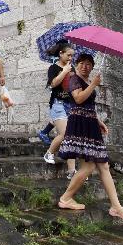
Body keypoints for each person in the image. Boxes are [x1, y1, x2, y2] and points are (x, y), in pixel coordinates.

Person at [57, 53, 123, 222]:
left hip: (90, 124)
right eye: (82, 63)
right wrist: (93, 84)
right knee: (90, 166)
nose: (86, 66)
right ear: (77, 64)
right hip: (80, 126)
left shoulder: (85, 82)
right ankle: (66, 198)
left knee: (103, 166)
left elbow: (88, 105)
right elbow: (78, 99)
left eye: (89, 64)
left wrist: (98, 121)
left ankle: (116, 206)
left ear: (92, 67)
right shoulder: (73, 79)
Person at [42, 43, 77, 179]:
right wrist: (64, 72)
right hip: (57, 104)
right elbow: (53, 84)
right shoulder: (53, 68)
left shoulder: (72, 68)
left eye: (72, 56)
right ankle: (49, 152)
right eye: (68, 55)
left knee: (71, 137)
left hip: (70, 104)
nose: (70, 58)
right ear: (61, 54)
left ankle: (72, 171)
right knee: (66, 134)